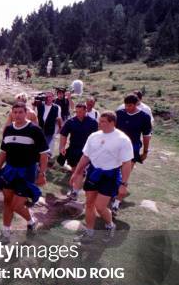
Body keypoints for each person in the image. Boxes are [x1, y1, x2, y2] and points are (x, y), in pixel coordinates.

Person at [0, 103, 49, 242]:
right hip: (9, 170)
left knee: (16, 205)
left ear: (26, 112)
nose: (17, 115)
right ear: (11, 114)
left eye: (20, 112)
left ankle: (31, 220)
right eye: (14, 112)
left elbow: (44, 155)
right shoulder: (8, 129)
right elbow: (3, 152)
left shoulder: (35, 130)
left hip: (27, 171)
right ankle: (6, 232)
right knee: (8, 202)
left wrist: (42, 174)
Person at [70, 112, 134, 243]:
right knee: (89, 204)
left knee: (100, 207)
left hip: (110, 175)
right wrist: (76, 173)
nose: (99, 123)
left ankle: (110, 225)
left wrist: (124, 184)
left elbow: (127, 163)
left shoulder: (122, 139)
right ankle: (89, 232)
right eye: (100, 121)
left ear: (112, 123)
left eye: (103, 121)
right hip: (93, 173)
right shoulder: (94, 136)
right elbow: (86, 156)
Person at [111, 94, 152, 215]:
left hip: (132, 148)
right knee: (113, 172)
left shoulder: (144, 117)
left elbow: (146, 136)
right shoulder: (119, 113)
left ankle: (116, 203)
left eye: (130, 105)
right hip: (116, 147)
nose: (127, 107)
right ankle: (112, 194)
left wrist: (145, 151)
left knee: (125, 175)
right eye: (126, 105)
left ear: (136, 104)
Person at [59, 103, 99, 199]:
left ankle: (75, 192)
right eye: (76, 112)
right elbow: (63, 134)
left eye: (80, 112)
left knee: (79, 170)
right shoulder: (71, 121)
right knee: (74, 170)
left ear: (86, 111)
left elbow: (97, 137)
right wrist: (62, 146)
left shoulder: (93, 122)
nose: (78, 114)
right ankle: (75, 188)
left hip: (86, 151)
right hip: (73, 149)